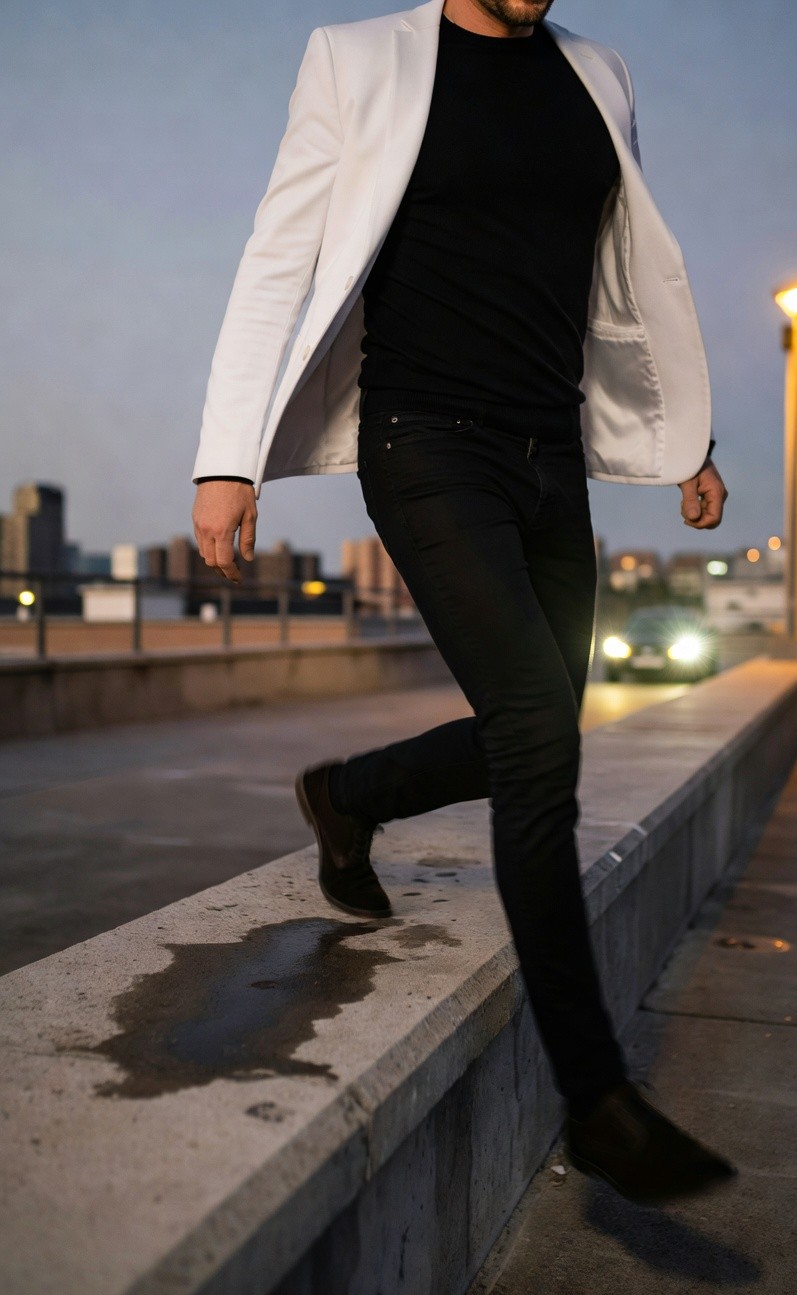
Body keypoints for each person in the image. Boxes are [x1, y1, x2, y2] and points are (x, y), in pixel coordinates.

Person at [191, 0, 735, 1206]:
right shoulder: (358, 58)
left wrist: (688, 435)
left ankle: (350, 794)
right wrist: (226, 455)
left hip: (554, 454)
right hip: (423, 438)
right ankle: (595, 1096)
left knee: (538, 726)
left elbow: (624, 276)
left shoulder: (599, 73)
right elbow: (280, 254)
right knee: (540, 726)